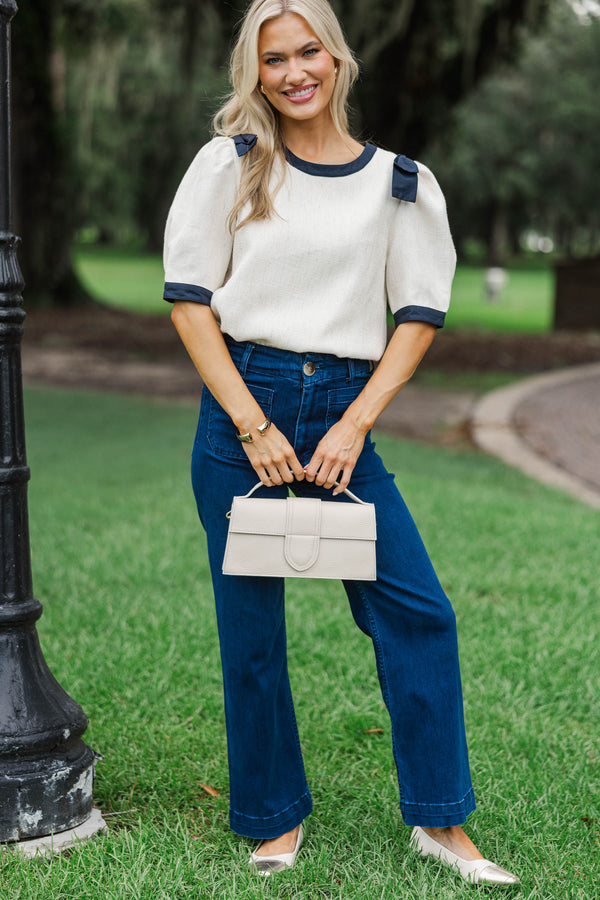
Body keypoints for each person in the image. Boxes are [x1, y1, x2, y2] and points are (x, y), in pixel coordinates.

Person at [163, 0, 519, 885]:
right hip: (243, 404)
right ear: (256, 72)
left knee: (418, 611)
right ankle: (273, 816)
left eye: (307, 52)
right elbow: (190, 304)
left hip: (345, 414)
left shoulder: (399, 182)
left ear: (337, 56)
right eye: (273, 59)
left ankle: (441, 822)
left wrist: (356, 423)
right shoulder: (232, 164)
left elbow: (418, 315)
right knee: (251, 629)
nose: (294, 73)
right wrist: (251, 423)